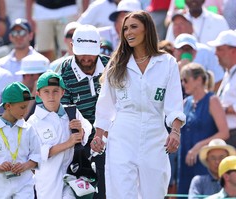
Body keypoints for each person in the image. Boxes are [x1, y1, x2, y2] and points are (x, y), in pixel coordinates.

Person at [91, 10, 186, 198]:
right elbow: (105, 105)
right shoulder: (116, 64)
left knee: (155, 192)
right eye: (125, 29)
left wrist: (175, 131)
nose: (128, 32)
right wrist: (99, 135)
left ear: (147, 29)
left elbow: (174, 103)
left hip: (155, 135)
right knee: (121, 191)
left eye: (134, 27)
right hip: (122, 136)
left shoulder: (167, 63)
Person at [59, 24, 110, 199]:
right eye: (82, 52)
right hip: (79, 143)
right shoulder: (62, 73)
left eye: (91, 52)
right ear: (72, 47)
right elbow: (65, 113)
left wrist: (105, 134)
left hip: (112, 136)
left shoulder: (112, 66)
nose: (86, 58)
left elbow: (121, 104)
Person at [27, 71, 92, 198]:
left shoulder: (72, 111)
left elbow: (87, 130)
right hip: (47, 182)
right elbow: (38, 154)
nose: (51, 95)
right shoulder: (33, 122)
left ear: (63, 92)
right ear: (38, 94)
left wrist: (81, 131)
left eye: (56, 91)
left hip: (74, 176)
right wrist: (68, 143)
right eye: (46, 91)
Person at [0, 82, 41, 199]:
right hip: (0, 188)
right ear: (8, 106)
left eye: (27, 106)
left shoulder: (29, 129)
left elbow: (37, 155)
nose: (26, 111)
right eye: (22, 107)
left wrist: (25, 166)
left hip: (25, 185)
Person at [177, 63, 229, 196]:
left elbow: (224, 133)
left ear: (199, 80)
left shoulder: (212, 100)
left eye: (186, 80)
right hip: (185, 162)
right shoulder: (185, 103)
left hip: (205, 163)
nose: (183, 83)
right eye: (181, 80)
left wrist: (199, 146)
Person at [207, 30, 236, 149]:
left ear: (233, 51)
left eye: (220, 49)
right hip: (228, 136)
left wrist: (224, 109)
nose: (215, 53)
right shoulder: (228, 73)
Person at [0, 18, 48, 82]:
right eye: (14, 33)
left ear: (31, 35)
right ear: (10, 37)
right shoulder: (1, 64)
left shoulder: (42, 61)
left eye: (22, 32)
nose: (18, 36)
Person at [165, 0, 229, 45]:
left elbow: (227, 47)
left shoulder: (219, 21)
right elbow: (169, 46)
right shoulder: (177, 21)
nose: (193, 1)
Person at [15, 54, 50, 119]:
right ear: (27, 75)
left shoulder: (50, 94)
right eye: (42, 75)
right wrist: (34, 95)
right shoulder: (13, 94)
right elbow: (18, 121)